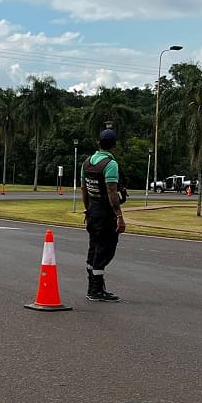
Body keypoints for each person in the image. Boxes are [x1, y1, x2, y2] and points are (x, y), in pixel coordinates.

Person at [81, 128, 126, 302]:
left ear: (98, 142)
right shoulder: (110, 164)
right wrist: (119, 216)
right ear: (114, 145)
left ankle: (92, 286)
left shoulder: (86, 162)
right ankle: (96, 289)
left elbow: (84, 189)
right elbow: (112, 193)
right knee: (106, 249)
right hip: (105, 213)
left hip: (93, 210)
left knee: (94, 247)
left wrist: (87, 209)